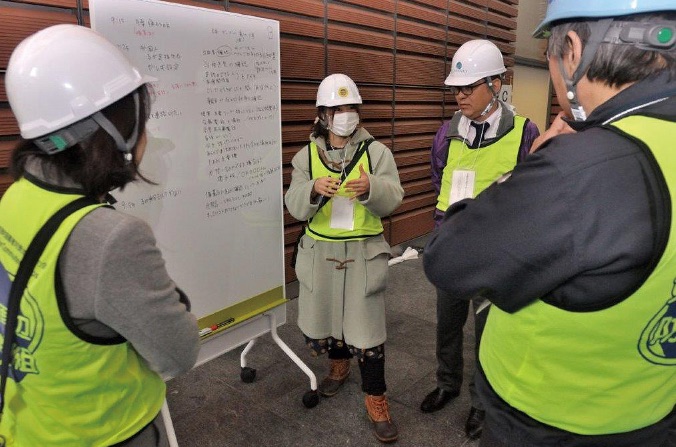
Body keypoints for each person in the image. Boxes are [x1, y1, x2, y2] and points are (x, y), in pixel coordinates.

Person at [423, 1, 676, 446]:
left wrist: (533, 168)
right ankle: (450, 382)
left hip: (548, 415)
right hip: (649, 407)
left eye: (550, 56)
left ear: (573, 51)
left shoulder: (574, 163)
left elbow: (447, 258)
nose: (460, 96)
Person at [0, 25, 200, 446]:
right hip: (104, 430)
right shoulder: (112, 238)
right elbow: (178, 353)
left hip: (28, 423)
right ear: (115, 129)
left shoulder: (16, 196)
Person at [419, 39, 540, 440]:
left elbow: (528, 193)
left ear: (496, 83)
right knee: (447, 324)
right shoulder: (446, 133)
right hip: (453, 248)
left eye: (469, 86)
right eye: (457, 87)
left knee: (489, 332)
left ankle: (481, 402)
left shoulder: (524, 132)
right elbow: (440, 178)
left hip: (495, 255)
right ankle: (447, 383)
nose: (460, 94)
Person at [284, 73, 404, 443]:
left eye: (351, 107)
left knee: (368, 331)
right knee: (329, 319)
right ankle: (338, 368)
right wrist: (312, 189)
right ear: (322, 114)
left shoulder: (377, 153)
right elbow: (293, 204)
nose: (345, 114)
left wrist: (372, 187)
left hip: (363, 253)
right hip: (322, 252)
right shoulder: (305, 156)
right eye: (337, 108)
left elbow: (394, 195)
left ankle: (376, 398)